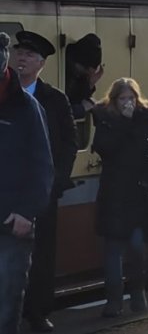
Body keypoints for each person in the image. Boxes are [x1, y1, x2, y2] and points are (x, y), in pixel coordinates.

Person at [13, 32, 77, 333]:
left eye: (28, 55)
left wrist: (57, 180)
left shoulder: (54, 99)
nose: (21, 58)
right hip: (8, 189)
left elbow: (68, 143)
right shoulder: (5, 93)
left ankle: (37, 311)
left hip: (41, 190)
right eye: (19, 53)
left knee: (42, 254)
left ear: (41, 63)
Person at [92, 78, 148, 317]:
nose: (128, 103)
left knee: (137, 246)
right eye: (123, 99)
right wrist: (125, 124)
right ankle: (114, 300)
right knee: (113, 249)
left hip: (139, 191)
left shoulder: (147, 119)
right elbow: (104, 148)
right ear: (114, 101)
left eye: (131, 98)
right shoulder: (106, 119)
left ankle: (138, 292)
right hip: (114, 192)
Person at [0, 32, 53, 334]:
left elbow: (42, 164)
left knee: (6, 302)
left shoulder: (27, 108)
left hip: (10, 221)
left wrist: (26, 211)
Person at [64, 33, 104, 123]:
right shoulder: (66, 74)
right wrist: (82, 108)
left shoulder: (79, 75)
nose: (87, 76)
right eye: (86, 73)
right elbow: (61, 112)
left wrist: (89, 84)